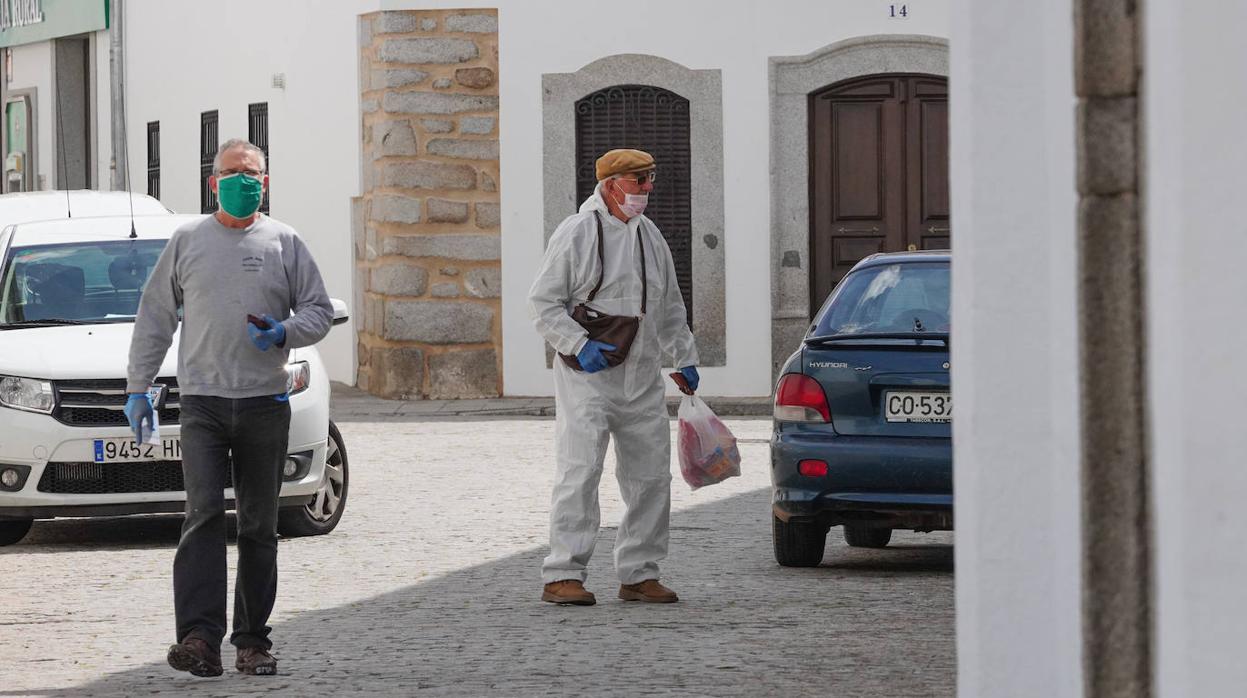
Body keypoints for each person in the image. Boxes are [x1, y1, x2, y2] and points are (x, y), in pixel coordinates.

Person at [125, 138, 333, 677]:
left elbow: (319, 309)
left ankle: (252, 641)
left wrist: (285, 331)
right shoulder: (189, 239)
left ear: (265, 181)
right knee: (202, 517)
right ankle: (198, 638)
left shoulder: (285, 242)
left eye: (254, 174)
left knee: (260, 525)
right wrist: (137, 387)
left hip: (264, 403)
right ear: (213, 181)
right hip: (203, 405)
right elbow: (155, 315)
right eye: (234, 173)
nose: (245, 182)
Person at [528, 148, 699, 605]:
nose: (647, 188)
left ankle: (639, 573)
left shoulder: (650, 236)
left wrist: (682, 357)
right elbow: (543, 302)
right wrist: (579, 345)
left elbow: (669, 304)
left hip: (641, 376)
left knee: (650, 476)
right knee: (580, 469)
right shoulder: (577, 231)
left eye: (650, 178)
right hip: (589, 377)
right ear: (610, 184)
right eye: (638, 180)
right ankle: (563, 573)